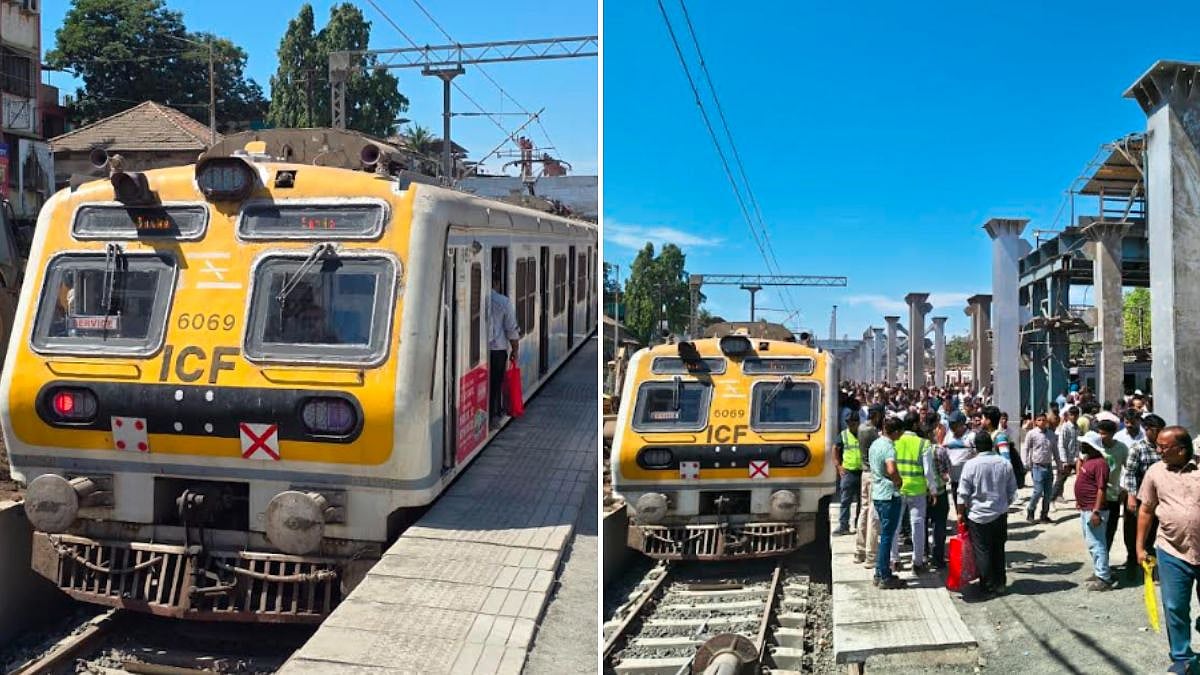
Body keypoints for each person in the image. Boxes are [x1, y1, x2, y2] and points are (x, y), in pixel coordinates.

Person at [1136, 425, 1200, 674]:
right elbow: (1146, 510)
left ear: (1181, 450)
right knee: (1174, 606)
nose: (1158, 450)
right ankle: (1182, 657)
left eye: (1163, 447)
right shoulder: (1155, 472)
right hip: (1172, 550)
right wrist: (1140, 547)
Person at [957, 433, 1016, 598]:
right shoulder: (1004, 463)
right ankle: (1000, 583)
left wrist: (961, 513)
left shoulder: (970, 465)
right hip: (1000, 514)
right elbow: (1012, 491)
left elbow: (962, 493)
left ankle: (988, 586)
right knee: (998, 548)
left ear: (976, 447)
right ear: (991, 445)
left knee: (982, 550)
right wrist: (1003, 505)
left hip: (978, 516)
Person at [891, 415, 938, 574]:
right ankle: (917, 563)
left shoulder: (895, 441)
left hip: (897, 488)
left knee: (895, 526)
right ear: (916, 424)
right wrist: (933, 490)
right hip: (917, 490)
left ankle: (894, 560)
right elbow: (928, 472)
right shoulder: (923, 444)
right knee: (917, 525)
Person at [1123, 414, 1165, 578]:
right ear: (1147, 430)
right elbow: (1130, 474)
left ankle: (1149, 566)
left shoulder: (1162, 448)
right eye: (1156, 431)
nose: (1159, 434)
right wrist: (1131, 497)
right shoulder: (1137, 448)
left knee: (1152, 532)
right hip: (1140, 498)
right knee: (1132, 531)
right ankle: (1132, 562)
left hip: (1157, 499)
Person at [870, 417, 906, 589]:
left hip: (877, 493)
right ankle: (884, 575)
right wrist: (898, 481)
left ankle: (879, 572)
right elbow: (891, 469)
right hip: (889, 495)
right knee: (887, 536)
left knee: (884, 535)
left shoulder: (875, 444)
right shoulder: (889, 447)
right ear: (896, 432)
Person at [1076, 432, 1114, 590]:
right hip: (1086, 508)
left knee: (1097, 544)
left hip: (1094, 510)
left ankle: (1104, 578)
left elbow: (1101, 489)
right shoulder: (1088, 460)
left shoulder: (1100, 464)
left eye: (1085, 444)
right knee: (1092, 543)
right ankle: (1100, 570)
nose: (1082, 446)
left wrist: (1096, 511)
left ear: (1091, 446)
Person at [1089, 419, 1130, 557]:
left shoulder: (1122, 448)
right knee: (1095, 534)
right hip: (1095, 497)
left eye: (1104, 433)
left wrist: (1124, 489)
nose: (1101, 436)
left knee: (1109, 531)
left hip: (1112, 496)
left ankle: (1104, 562)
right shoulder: (1094, 447)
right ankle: (1100, 566)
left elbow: (1128, 470)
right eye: (1099, 433)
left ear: (1113, 434)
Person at [487, 276, 520, 428]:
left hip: (479, 351)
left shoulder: (476, 297)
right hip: (498, 350)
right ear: (496, 282)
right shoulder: (503, 301)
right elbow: (511, 329)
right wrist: (515, 349)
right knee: (495, 383)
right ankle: (493, 417)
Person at [854, 405, 884, 566]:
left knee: (864, 510)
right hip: (873, 474)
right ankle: (871, 555)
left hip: (864, 473)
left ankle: (859, 550)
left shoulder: (860, 428)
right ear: (877, 415)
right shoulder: (872, 432)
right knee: (873, 514)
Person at [833, 413, 863, 535]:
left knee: (863, 501)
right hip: (848, 472)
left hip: (862, 472)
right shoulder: (844, 435)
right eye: (848, 423)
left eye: (852, 423)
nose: (850, 425)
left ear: (857, 423)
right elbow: (835, 449)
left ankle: (859, 525)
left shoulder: (863, 434)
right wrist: (838, 466)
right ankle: (844, 525)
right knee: (845, 501)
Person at [1024, 412, 1056, 523]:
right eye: (1039, 420)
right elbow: (1026, 449)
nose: (1041, 422)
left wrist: (1059, 464)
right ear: (1035, 422)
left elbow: (1055, 450)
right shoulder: (1031, 434)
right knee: (1038, 491)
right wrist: (1027, 463)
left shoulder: (1051, 434)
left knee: (1048, 493)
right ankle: (1031, 510)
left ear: (1046, 421)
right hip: (1037, 466)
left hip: (1048, 466)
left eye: (1043, 420)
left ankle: (1044, 515)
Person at [1053, 406, 1080, 501]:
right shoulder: (1065, 427)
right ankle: (1052, 499)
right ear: (1068, 416)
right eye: (1072, 415)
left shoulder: (1077, 427)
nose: (1074, 417)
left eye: (1076, 415)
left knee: (1081, 479)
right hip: (1066, 459)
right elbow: (1061, 444)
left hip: (1075, 458)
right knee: (1060, 480)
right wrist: (1064, 460)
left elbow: (1077, 443)